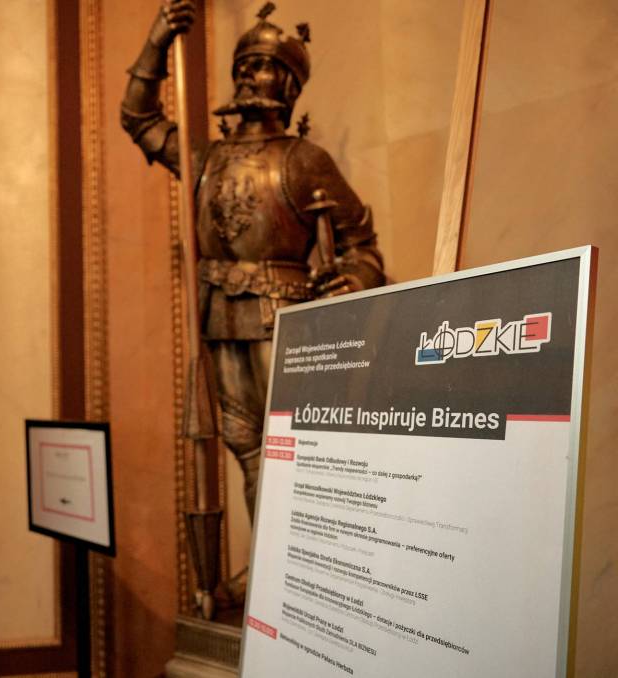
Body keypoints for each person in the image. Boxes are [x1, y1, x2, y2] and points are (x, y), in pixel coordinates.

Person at [121, 0, 385, 521]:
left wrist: (354, 279)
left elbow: (361, 244)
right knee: (247, 448)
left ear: (288, 83)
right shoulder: (205, 159)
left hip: (282, 318)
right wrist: (157, 41)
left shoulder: (304, 159)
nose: (247, 75)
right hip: (219, 316)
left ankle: (299, 558)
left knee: (294, 448)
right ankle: (267, 560)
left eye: (262, 65)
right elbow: (138, 116)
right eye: (243, 66)